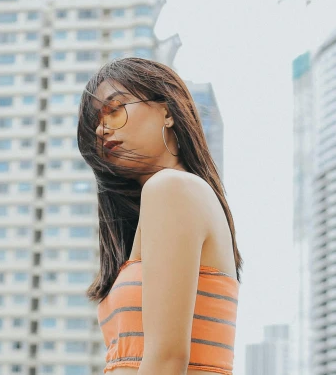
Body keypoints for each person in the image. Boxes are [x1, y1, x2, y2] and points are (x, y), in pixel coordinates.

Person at [77, 57, 243, 375]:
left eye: (115, 108)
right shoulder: (173, 197)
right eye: (95, 123)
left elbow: (166, 360)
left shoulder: (171, 188)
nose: (101, 128)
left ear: (167, 111)